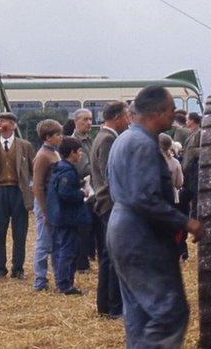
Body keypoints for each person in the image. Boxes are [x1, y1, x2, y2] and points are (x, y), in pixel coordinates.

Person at [107, 87, 204, 348]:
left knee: (139, 313)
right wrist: (187, 222)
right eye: (171, 111)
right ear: (158, 113)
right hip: (140, 234)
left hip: (122, 229)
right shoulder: (142, 145)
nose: (173, 117)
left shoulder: (124, 140)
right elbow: (144, 198)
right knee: (169, 311)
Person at [0, 112, 35, 280]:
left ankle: (18, 269)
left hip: (18, 192)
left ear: (13, 125)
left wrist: (31, 188)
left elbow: (34, 169)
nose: (0, 124)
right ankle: (0, 270)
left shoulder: (25, 146)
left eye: (3, 121)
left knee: (19, 233)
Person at [91, 101, 129, 318]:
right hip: (111, 204)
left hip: (106, 203)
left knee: (108, 256)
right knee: (115, 257)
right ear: (116, 118)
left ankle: (105, 304)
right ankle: (115, 307)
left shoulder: (102, 137)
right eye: (127, 116)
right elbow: (110, 176)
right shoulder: (108, 139)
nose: (129, 120)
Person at [47, 137, 92, 295]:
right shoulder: (67, 171)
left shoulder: (60, 168)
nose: (80, 155)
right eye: (79, 152)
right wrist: (81, 193)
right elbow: (65, 193)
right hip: (68, 217)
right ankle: (64, 284)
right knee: (68, 250)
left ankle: (63, 282)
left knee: (61, 249)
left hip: (59, 216)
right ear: (72, 153)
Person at [31, 119, 63, 291]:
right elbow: (37, 185)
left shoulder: (54, 152)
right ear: (48, 137)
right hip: (45, 203)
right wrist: (44, 210)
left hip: (53, 202)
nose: (61, 137)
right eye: (58, 134)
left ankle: (55, 276)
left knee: (54, 242)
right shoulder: (43, 156)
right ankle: (40, 280)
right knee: (44, 242)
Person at [70, 108, 95, 271]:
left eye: (91, 119)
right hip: (81, 190)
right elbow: (84, 167)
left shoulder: (90, 141)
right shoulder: (73, 142)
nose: (89, 123)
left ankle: (89, 255)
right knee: (83, 228)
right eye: (85, 119)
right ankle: (82, 262)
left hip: (93, 190)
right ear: (75, 122)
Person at [181, 112, 202, 219]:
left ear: (192, 121)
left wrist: (192, 151)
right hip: (188, 171)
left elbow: (203, 150)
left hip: (193, 171)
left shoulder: (199, 133)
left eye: (187, 119)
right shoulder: (192, 133)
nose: (186, 122)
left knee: (194, 198)